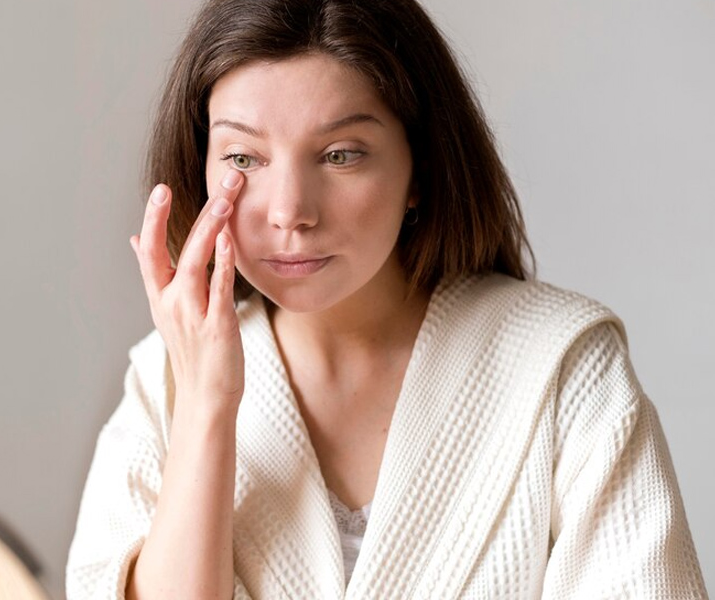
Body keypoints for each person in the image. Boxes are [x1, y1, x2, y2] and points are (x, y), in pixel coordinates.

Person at [66, 0, 708, 598]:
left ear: (418, 171)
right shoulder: (163, 383)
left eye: (341, 154)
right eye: (243, 158)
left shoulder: (564, 368)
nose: (290, 211)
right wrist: (208, 405)